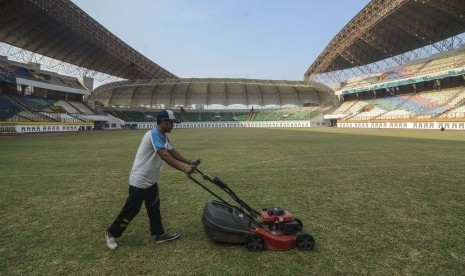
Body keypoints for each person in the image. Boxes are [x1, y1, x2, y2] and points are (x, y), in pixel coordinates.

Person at [105, 109, 197, 249]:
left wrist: (189, 161)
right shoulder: (153, 134)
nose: (173, 125)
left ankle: (159, 235)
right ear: (164, 122)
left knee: (154, 208)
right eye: (171, 123)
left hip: (150, 180)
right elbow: (165, 155)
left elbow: (172, 151)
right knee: (131, 210)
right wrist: (184, 169)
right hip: (140, 181)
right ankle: (111, 233)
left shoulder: (163, 136)